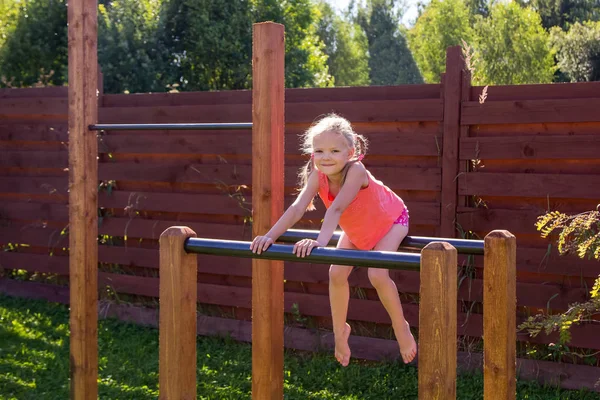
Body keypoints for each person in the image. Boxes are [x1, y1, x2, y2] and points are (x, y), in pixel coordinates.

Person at [249, 113, 417, 366]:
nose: (326, 157)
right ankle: (340, 332)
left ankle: (400, 326)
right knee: (336, 274)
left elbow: (336, 209)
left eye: (334, 151)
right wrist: (269, 236)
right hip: (358, 228)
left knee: (377, 274)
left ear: (350, 152)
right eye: (319, 151)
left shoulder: (356, 171)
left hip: (391, 222)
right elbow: (296, 209)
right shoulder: (319, 174)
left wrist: (320, 242)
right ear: (312, 153)